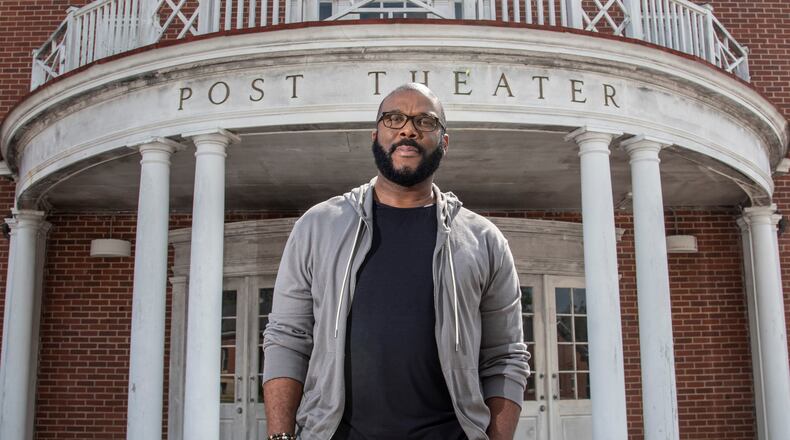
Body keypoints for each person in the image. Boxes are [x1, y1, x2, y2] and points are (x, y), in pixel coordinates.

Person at [262, 83, 530, 440]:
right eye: (395, 118)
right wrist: (281, 437)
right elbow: (287, 338)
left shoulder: (484, 240)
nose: (408, 129)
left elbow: (505, 356)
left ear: (444, 142)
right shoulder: (318, 226)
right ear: (376, 135)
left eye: (425, 121)